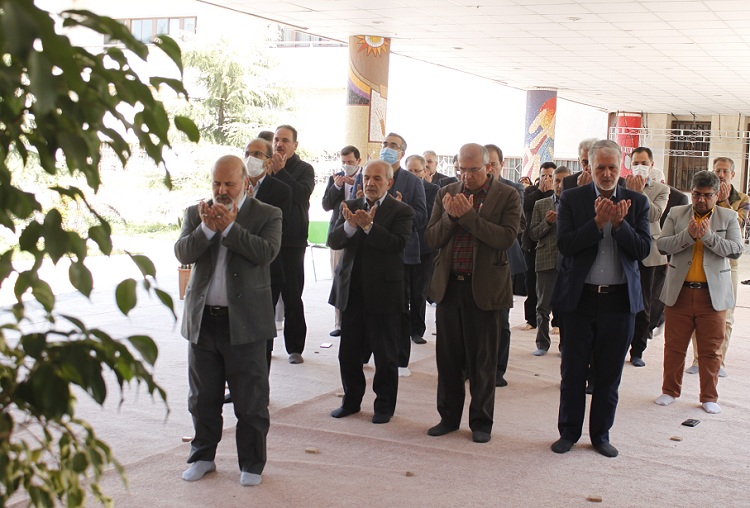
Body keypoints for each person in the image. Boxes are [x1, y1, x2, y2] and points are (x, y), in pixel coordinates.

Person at [175, 155, 282, 486]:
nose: (221, 191)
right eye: (216, 183)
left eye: (229, 184)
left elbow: (266, 253)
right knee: (202, 398)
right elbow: (183, 253)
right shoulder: (196, 213)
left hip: (246, 322)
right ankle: (202, 457)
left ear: (245, 184)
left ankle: (251, 464)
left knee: (250, 400)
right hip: (203, 321)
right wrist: (208, 228)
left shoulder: (267, 214)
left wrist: (231, 229)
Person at [550, 140, 650, 458]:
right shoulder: (572, 199)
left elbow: (643, 250)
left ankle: (600, 435)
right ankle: (568, 433)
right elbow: (566, 245)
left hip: (619, 303)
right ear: (589, 167)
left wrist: (619, 225)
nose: (606, 174)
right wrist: (596, 224)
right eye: (600, 168)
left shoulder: (637, 202)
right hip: (580, 300)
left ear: (621, 167)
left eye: (612, 167)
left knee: (609, 374)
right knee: (573, 372)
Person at [425, 143, 521, 443]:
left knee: (483, 361)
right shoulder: (446, 192)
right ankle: (448, 418)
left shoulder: (507, 195)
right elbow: (431, 238)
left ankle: (481, 422)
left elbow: (505, 238)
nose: (466, 176)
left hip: (485, 289)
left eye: (473, 170)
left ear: (488, 167)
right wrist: (451, 217)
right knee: (448, 360)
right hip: (449, 286)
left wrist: (468, 217)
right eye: (461, 170)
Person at [328, 160, 414, 424]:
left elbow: (397, 244)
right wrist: (351, 226)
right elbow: (333, 240)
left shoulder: (401, 211)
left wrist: (369, 227)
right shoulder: (350, 206)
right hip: (352, 292)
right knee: (348, 354)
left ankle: (384, 406)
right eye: (366, 178)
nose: (370, 183)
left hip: (384, 293)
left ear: (389, 182)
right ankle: (351, 401)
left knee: (385, 355)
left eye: (377, 178)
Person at [654, 170, 742, 414]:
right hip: (680, 292)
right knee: (674, 347)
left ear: (716, 194)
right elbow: (662, 245)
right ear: (691, 192)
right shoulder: (676, 213)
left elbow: (736, 250)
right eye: (696, 194)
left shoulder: (728, 217)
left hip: (712, 295)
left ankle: (709, 397)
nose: (701, 200)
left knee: (711, 350)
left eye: (707, 195)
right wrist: (689, 235)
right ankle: (669, 391)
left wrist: (709, 237)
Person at [685, 157, 749, 377]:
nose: (721, 175)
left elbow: (738, 224)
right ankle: (697, 359)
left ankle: (719, 361)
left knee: (725, 314)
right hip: (703, 259)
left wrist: (722, 203)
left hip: (729, 263)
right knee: (699, 310)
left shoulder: (742, 199)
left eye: (725, 171)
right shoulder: (704, 196)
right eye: (717, 170)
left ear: (733, 175)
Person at [375, 132, 427, 376]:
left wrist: (399, 210)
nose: (387, 148)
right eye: (385, 144)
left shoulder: (412, 181)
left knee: (400, 308)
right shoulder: (370, 174)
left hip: (401, 253)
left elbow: (422, 217)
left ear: (402, 153)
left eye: (393, 145)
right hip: (372, 250)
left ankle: (400, 359)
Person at [244, 138, 292, 369]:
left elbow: (276, 230)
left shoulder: (280, 190)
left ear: (268, 161)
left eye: (257, 154)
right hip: (237, 270)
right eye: (247, 153)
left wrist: (249, 204)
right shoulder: (233, 186)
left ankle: (260, 380)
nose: (250, 159)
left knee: (261, 329)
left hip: (267, 270)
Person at [269, 125, 315, 364]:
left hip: (292, 240)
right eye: (276, 139)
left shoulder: (304, 169)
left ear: (295, 145)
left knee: (292, 295)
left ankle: (295, 348)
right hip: (267, 239)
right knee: (266, 295)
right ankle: (264, 345)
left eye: (285, 140)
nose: (279, 144)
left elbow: (300, 194)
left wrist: (281, 171)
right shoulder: (265, 165)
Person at [485, 143, 526, 388]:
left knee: (500, 318)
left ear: (502, 164)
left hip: (504, 259)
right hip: (475, 260)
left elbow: (518, 224)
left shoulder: (513, 189)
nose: (489, 168)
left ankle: (498, 369)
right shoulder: (467, 188)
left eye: (493, 164)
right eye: (485, 164)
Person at [627, 147, 669, 367]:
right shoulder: (620, 185)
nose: (639, 167)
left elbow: (654, 215)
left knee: (644, 304)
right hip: (625, 249)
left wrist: (639, 192)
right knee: (622, 302)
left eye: (644, 163)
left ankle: (638, 350)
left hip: (649, 253)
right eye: (636, 163)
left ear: (651, 165)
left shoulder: (661, 190)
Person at [529, 165, 570, 355]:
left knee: (567, 307)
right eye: (557, 181)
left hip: (568, 262)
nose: (560, 185)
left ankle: (565, 346)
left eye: (564, 181)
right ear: (551, 182)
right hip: (545, 259)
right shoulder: (541, 204)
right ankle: (542, 344)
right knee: (542, 306)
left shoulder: (576, 204)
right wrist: (547, 222)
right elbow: (533, 234)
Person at [322, 145, 362, 338]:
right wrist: (337, 186)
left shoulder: (365, 178)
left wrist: (355, 186)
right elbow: (326, 205)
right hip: (339, 233)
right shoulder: (335, 178)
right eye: (344, 162)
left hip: (359, 233)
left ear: (358, 161)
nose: (347, 166)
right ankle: (338, 323)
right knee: (338, 277)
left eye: (350, 162)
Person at [405, 154, 439, 344]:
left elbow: (428, 214)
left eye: (417, 171)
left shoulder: (433, 190)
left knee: (419, 291)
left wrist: (406, 205)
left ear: (425, 171)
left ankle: (416, 330)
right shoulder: (399, 187)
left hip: (424, 247)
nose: (413, 174)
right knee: (402, 291)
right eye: (409, 171)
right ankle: (401, 327)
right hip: (404, 245)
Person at [521, 162, 557, 332]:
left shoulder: (557, 194)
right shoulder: (530, 191)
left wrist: (549, 191)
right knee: (531, 284)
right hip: (531, 244)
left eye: (550, 176)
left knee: (553, 285)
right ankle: (531, 319)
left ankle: (556, 321)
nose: (546, 179)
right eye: (543, 175)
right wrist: (541, 191)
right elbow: (525, 205)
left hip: (550, 246)